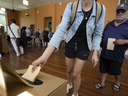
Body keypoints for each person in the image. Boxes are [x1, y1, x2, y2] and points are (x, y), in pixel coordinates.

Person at [32, 0, 105, 96]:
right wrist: (44, 56)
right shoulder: (71, 6)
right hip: (70, 43)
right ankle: (69, 84)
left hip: (84, 46)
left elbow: (98, 33)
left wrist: (95, 52)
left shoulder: (100, 9)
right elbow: (61, 29)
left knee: (76, 74)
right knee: (69, 70)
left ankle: (75, 93)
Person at [95, 3, 128, 92]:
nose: (120, 13)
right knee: (103, 69)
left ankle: (117, 83)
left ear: (127, 12)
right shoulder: (109, 24)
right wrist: (99, 42)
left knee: (116, 71)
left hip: (117, 55)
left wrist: (124, 41)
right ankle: (102, 83)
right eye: (118, 12)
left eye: (123, 11)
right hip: (105, 53)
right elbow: (102, 36)